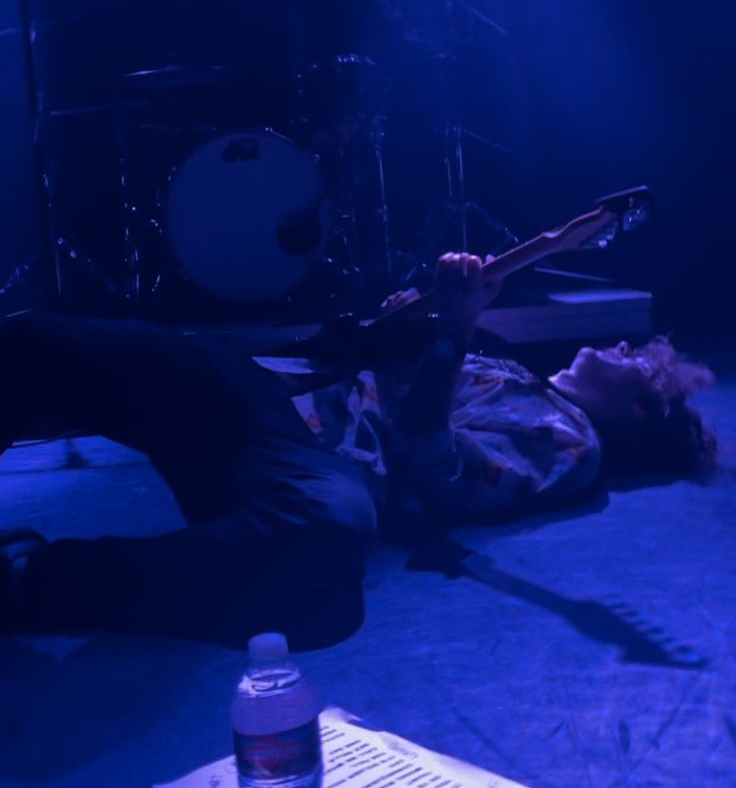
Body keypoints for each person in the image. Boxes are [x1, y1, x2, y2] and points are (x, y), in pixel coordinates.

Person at [0, 254, 716, 647]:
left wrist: (453, 332)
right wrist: (399, 322)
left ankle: (29, 578)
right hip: (270, 399)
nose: (621, 345)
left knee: (330, 536)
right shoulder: (522, 377)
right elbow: (371, 368)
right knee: (40, 345)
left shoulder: (573, 442)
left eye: (635, 359)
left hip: (310, 459)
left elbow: (434, 461)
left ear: (637, 408)